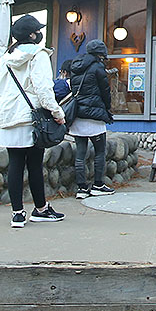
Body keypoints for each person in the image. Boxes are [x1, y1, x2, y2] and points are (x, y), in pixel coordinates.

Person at [0, 15, 65, 228]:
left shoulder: (5, 57)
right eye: (38, 31)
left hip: (8, 116)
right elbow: (43, 88)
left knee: (14, 164)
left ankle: (17, 214)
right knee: (34, 164)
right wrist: (57, 113)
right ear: (32, 34)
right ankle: (41, 209)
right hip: (30, 117)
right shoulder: (38, 55)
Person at [69, 40, 116, 199]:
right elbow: (105, 91)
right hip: (95, 116)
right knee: (100, 152)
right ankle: (98, 185)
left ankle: (81, 188)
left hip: (78, 115)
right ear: (100, 53)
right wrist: (107, 108)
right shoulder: (98, 67)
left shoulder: (75, 66)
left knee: (80, 154)